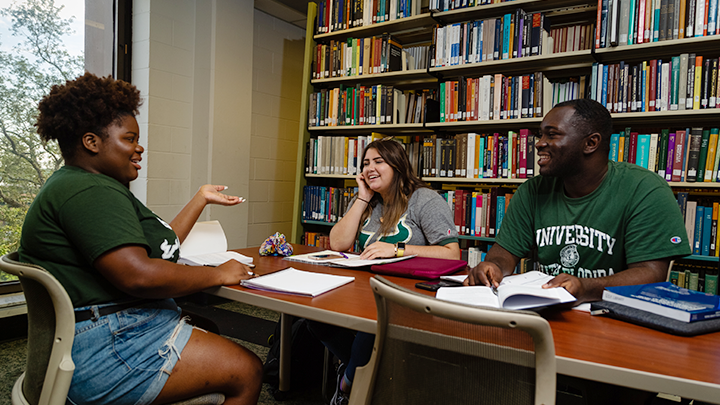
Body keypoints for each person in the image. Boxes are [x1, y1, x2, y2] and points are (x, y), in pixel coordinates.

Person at [18, 73, 262, 405]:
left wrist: (200, 198)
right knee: (247, 370)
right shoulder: (89, 191)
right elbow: (139, 274)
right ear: (92, 142)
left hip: (97, 332)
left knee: (210, 330)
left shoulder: (81, 185)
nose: (139, 147)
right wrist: (220, 273)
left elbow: (161, 250)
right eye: (129, 138)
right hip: (108, 345)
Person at [467, 98, 692, 404]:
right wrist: (491, 266)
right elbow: (505, 253)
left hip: (617, 336)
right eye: (540, 135)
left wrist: (585, 288)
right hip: (547, 325)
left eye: (552, 134)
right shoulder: (533, 191)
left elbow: (652, 275)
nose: (539, 144)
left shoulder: (644, 190)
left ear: (591, 143)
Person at [310, 138, 461, 405]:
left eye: (379, 161)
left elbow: (451, 252)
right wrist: (362, 197)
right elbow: (338, 244)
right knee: (315, 314)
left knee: (374, 321)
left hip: (405, 294)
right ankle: (363, 373)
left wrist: (398, 249)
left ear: (398, 165)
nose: (370, 168)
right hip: (360, 288)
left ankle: (347, 385)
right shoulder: (369, 201)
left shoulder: (424, 199)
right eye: (366, 163)